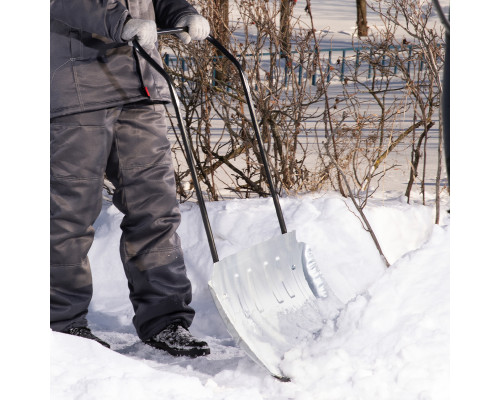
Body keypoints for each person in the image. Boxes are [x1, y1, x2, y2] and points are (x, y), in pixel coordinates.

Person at [50, 0, 211, 357]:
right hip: (77, 86)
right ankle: (61, 325)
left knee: (156, 208)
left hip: (141, 83)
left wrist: (181, 13)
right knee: (69, 214)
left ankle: (166, 320)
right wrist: (118, 21)